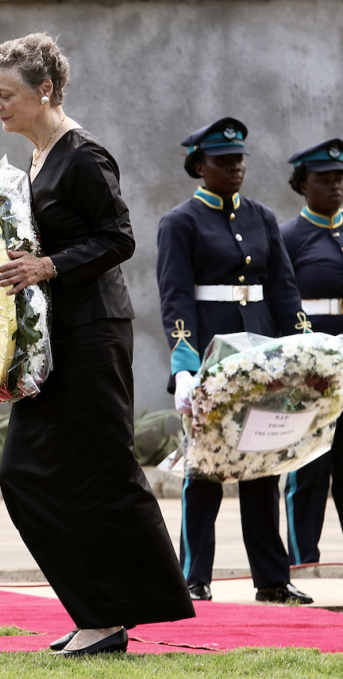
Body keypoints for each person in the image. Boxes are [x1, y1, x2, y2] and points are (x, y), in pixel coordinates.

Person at [0, 32, 195, 657]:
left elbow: (118, 238)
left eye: (5, 94)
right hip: (53, 341)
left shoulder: (84, 156)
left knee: (99, 470)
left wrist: (45, 267)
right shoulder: (36, 161)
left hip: (96, 334)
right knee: (23, 473)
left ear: (44, 90)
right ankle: (96, 610)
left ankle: (109, 618)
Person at [156, 117, 313, 604]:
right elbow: (176, 298)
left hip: (263, 352)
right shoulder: (180, 222)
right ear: (199, 166)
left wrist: (304, 350)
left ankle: (272, 579)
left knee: (265, 463)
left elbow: (285, 291)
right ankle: (193, 577)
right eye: (224, 162)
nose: (235, 168)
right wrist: (184, 364)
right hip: (213, 355)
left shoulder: (262, 218)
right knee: (206, 467)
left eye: (240, 160)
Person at [280, 138, 343, 565]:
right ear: (303, 184)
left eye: (340, 179)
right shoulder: (289, 236)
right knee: (310, 467)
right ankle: (305, 561)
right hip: (313, 369)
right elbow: (283, 303)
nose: (335, 187)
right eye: (324, 179)